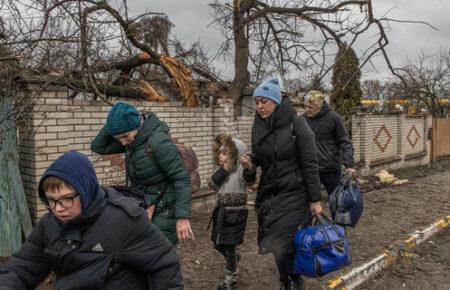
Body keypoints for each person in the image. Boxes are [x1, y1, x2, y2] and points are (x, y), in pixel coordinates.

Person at [0, 151, 182, 290]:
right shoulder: (49, 224)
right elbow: (21, 269)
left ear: (85, 191)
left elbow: (164, 264)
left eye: (66, 199)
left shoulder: (124, 221)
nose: (58, 208)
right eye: (51, 200)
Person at [240, 77, 323, 290]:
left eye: (263, 101)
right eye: (256, 101)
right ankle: (286, 279)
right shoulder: (258, 126)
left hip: (295, 192)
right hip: (270, 193)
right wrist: (249, 165)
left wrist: (315, 199)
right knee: (274, 241)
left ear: (275, 102)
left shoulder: (297, 124)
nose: (259, 106)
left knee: (284, 239)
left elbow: (310, 163)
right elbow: (259, 157)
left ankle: (293, 280)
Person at [91, 102, 194, 245]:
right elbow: (98, 146)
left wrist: (182, 217)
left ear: (136, 125)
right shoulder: (132, 142)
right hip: (143, 207)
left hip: (164, 212)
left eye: (125, 136)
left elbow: (181, 178)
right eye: (118, 138)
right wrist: (113, 123)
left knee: (159, 259)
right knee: (143, 258)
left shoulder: (157, 142)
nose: (122, 142)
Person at [208, 133, 256, 290]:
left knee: (228, 246)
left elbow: (250, 179)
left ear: (235, 155)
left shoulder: (242, 170)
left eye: (224, 153)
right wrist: (224, 170)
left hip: (236, 215)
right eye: (219, 153)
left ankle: (231, 278)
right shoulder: (222, 170)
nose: (220, 156)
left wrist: (249, 167)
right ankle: (234, 258)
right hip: (221, 213)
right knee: (217, 244)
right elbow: (212, 185)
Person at [302, 91, 355, 195]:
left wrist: (349, 165)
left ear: (319, 105)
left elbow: (345, 143)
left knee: (337, 201)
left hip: (330, 170)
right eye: (306, 106)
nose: (307, 109)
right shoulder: (303, 119)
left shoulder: (333, 118)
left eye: (311, 107)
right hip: (310, 169)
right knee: (307, 202)